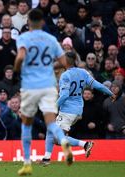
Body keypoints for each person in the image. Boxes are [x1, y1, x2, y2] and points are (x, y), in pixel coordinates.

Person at [13, 9, 73, 176]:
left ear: (29, 22)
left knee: (26, 124)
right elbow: (64, 62)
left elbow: (20, 57)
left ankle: (26, 164)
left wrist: (17, 69)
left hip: (30, 86)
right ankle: (63, 141)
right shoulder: (51, 39)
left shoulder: (24, 38)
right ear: (43, 23)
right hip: (48, 85)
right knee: (51, 123)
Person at [39, 52, 115, 166]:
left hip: (68, 110)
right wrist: (110, 93)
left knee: (58, 139)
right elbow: (97, 85)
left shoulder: (65, 76)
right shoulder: (83, 72)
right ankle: (46, 159)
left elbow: (64, 95)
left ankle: (85, 144)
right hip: (78, 108)